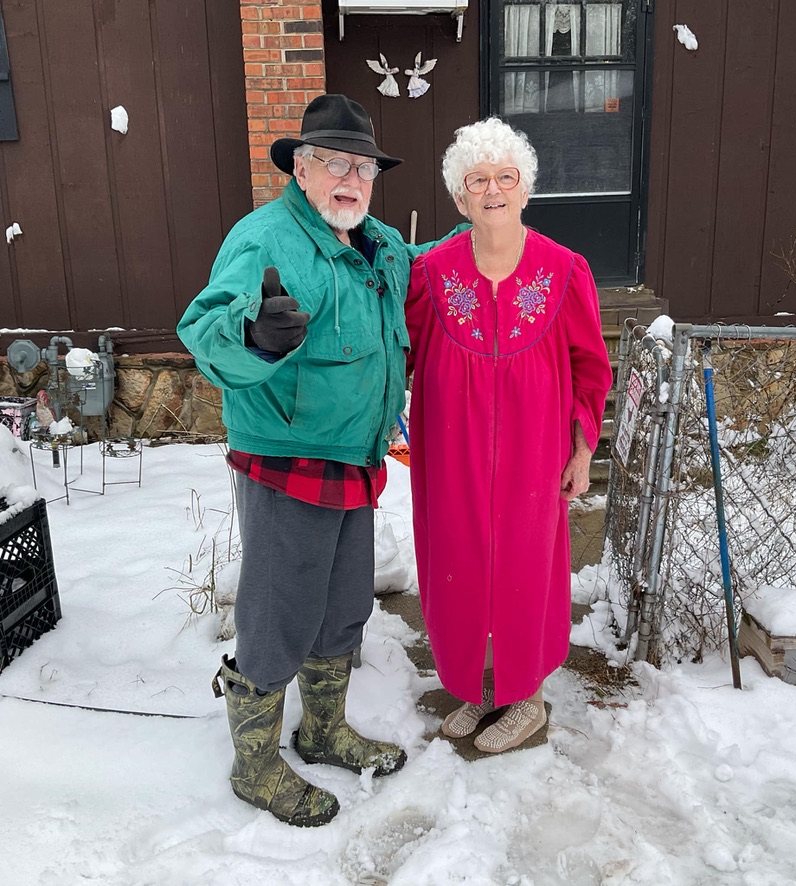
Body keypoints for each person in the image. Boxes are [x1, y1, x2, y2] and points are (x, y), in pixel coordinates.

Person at [178, 94, 460, 827]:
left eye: (363, 167)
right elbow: (205, 328)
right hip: (288, 458)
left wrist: (485, 234)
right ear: (300, 170)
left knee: (341, 608)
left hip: (355, 456)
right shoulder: (264, 240)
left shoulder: (377, 242)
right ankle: (254, 766)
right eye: (335, 163)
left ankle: (322, 729)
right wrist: (255, 336)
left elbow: (424, 266)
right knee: (280, 614)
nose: (351, 179)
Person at [405, 118, 613, 754]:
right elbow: (401, 351)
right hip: (451, 451)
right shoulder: (431, 274)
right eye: (477, 180)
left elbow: (590, 367)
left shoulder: (564, 271)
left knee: (527, 567)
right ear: (459, 197)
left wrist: (582, 449)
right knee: (457, 565)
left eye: (505, 177)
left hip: (534, 452)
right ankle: (476, 686)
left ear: (525, 189)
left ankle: (527, 696)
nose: (492, 189)